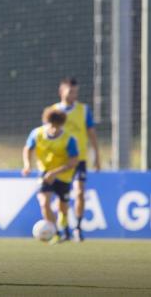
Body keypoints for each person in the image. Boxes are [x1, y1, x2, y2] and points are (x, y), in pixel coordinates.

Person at [50, 77, 100, 242]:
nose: (74, 95)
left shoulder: (84, 110)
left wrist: (97, 156)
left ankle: (77, 228)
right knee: (61, 197)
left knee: (80, 192)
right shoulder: (54, 111)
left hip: (79, 159)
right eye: (71, 92)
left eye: (76, 92)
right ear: (61, 91)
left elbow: (91, 133)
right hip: (61, 161)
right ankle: (64, 229)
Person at [22, 107, 79, 245]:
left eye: (57, 126)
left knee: (62, 207)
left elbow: (73, 161)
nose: (54, 129)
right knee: (44, 203)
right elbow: (28, 149)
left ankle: (63, 226)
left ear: (62, 125)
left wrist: (55, 173)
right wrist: (27, 165)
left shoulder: (69, 139)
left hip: (63, 175)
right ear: (46, 121)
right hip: (44, 173)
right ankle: (56, 233)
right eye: (52, 125)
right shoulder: (37, 134)